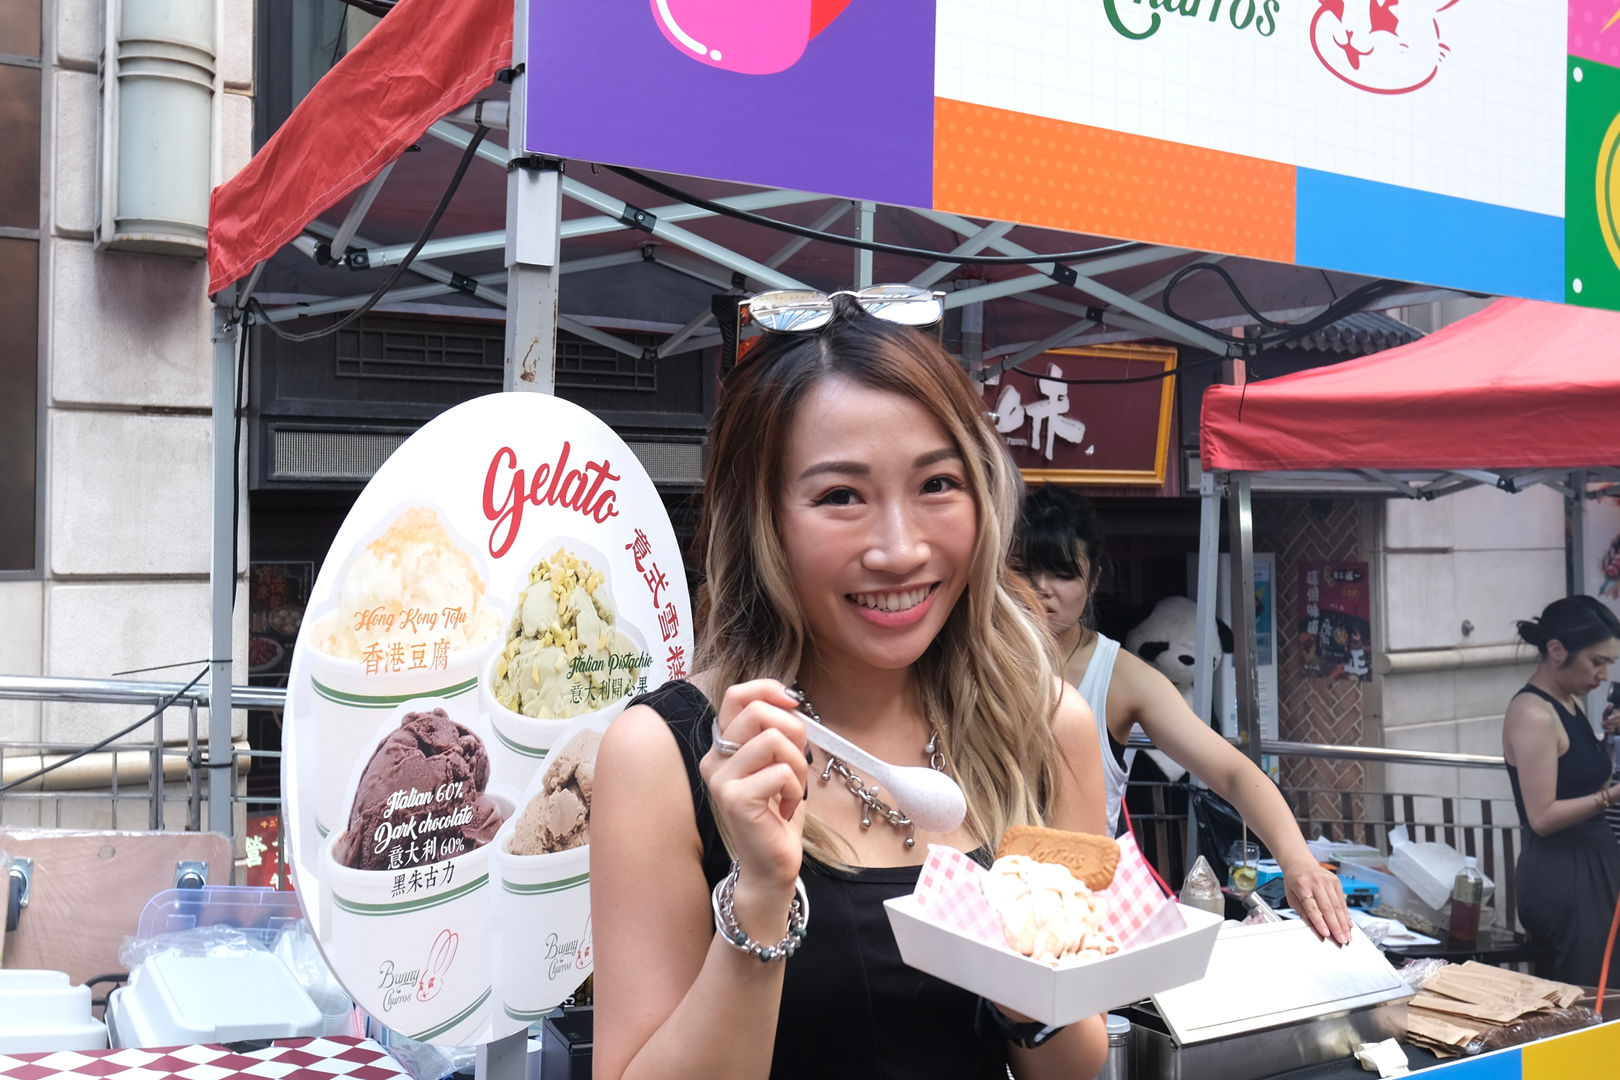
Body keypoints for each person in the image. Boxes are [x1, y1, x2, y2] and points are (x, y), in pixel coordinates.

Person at [590, 287, 1110, 1080]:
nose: (899, 551)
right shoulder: (664, 756)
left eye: (937, 484)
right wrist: (761, 894)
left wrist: (1023, 963)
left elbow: (1072, 1067)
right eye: (840, 496)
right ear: (762, 519)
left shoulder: (1043, 728)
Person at [1016, 484, 1353, 945]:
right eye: (1023, 568)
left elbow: (1232, 771)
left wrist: (1299, 862)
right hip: (983, 893)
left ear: (1093, 580)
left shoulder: (1121, 677)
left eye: (1062, 573)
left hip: (1077, 911)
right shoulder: (964, 662)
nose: (1040, 588)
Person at [1502, 596, 1620, 987]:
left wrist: (1609, 741)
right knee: (1587, 989)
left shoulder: (1569, 702)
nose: (1603, 674)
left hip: (1594, 860)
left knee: (1607, 981)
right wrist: (1612, 797)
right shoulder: (1533, 713)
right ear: (1557, 650)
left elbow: (1587, 783)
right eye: (1597, 661)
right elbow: (1542, 817)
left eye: (1608, 663)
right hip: (1562, 873)